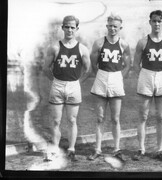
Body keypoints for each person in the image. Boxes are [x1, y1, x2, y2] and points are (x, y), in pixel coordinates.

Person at [43, 15, 91, 162]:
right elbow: (45, 68)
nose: (70, 30)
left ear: (76, 29)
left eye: (72, 27)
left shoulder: (82, 48)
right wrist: (56, 81)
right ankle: (55, 150)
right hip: (57, 85)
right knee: (56, 121)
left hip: (74, 86)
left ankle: (71, 149)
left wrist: (77, 82)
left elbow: (88, 70)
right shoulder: (55, 47)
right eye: (67, 27)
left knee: (72, 119)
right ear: (63, 27)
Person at [132, 10, 162, 161]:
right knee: (143, 115)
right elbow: (135, 64)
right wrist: (145, 76)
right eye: (154, 21)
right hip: (146, 75)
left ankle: (159, 149)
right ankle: (141, 149)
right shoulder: (143, 42)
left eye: (159, 21)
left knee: (160, 116)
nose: (157, 24)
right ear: (150, 22)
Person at [87, 14, 131, 161]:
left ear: (120, 28)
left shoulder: (124, 44)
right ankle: (97, 149)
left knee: (115, 118)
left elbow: (128, 65)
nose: (112, 28)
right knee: (100, 117)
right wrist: (100, 74)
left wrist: (119, 77)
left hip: (116, 78)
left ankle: (116, 149)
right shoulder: (99, 43)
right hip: (101, 77)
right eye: (110, 25)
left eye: (115, 26)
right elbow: (93, 64)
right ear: (107, 26)